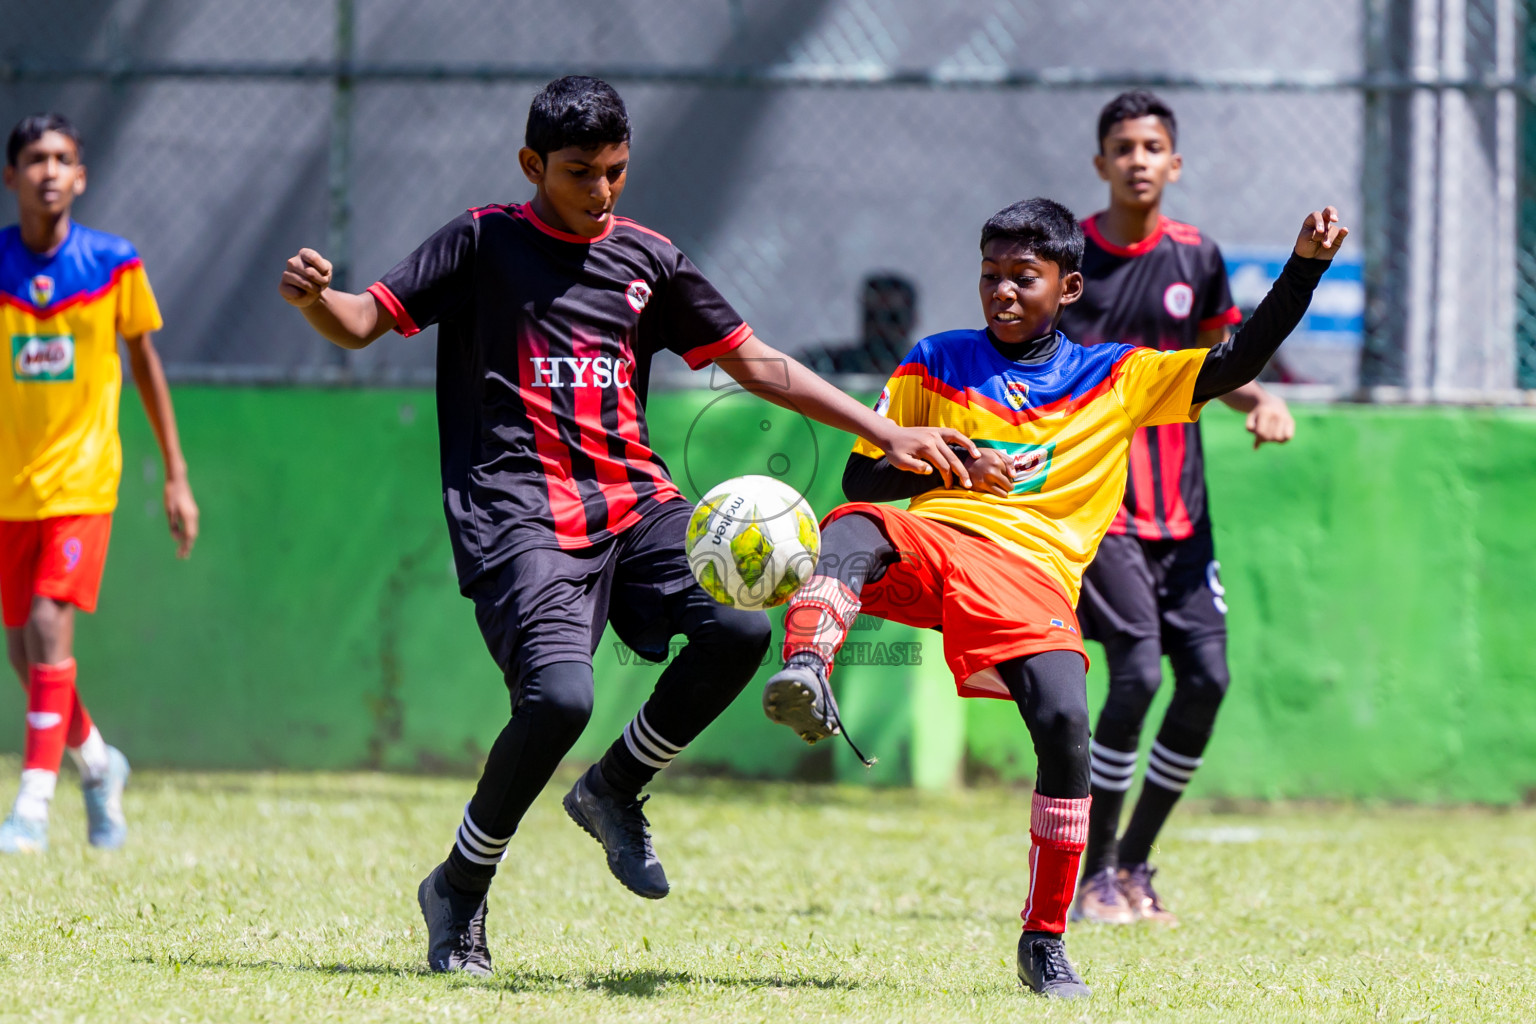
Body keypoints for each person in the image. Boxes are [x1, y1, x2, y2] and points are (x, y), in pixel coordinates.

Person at [278, 75, 973, 977]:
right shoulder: (482, 240)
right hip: (519, 516)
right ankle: (459, 885)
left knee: (736, 625)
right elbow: (364, 321)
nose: (601, 190)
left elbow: (755, 362)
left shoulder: (650, 259)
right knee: (559, 701)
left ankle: (615, 787)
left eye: (615, 170)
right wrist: (313, 300)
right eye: (579, 173)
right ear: (532, 165)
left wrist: (885, 429)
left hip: (636, 506)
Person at [761, 197, 1345, 998]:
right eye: (989, 275)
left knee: (1068, 720)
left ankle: (1044, 941)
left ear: (1068, 288)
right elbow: (863, 475)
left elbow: (1237, 362)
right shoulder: (935, 360)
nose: (1001, 292)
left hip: (1033, 579)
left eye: (1022, 278)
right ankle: (806, 669)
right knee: (853, 525)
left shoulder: (1117, 374)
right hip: (940, 545)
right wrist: (943, 463)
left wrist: (1305, 269)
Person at [1059, 91, 1297, 926]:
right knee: (1138, 674)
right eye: (1122, 146)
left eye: (1152, 145)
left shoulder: (1198, 257)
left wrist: (1261, 402)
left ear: (1175, 162)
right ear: (1100, 164)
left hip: (1183, 514)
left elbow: (1222, 362)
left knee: (1207, 679)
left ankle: (1133, 864)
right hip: (1103, 506)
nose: (1137, 159)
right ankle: (1089, 876)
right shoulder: (1068, 256)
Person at [0, 113, 199, 854]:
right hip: (9, 489)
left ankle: (30, 806)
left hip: (83, 482)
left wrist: (176, 476)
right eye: (33, 158)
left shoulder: (115, 263)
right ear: (10, 176)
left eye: (62, 158)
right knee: (25, 656)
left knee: (51, 623)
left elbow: (146, 366)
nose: (49, 170)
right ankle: (97, 763)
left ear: (80, 175)